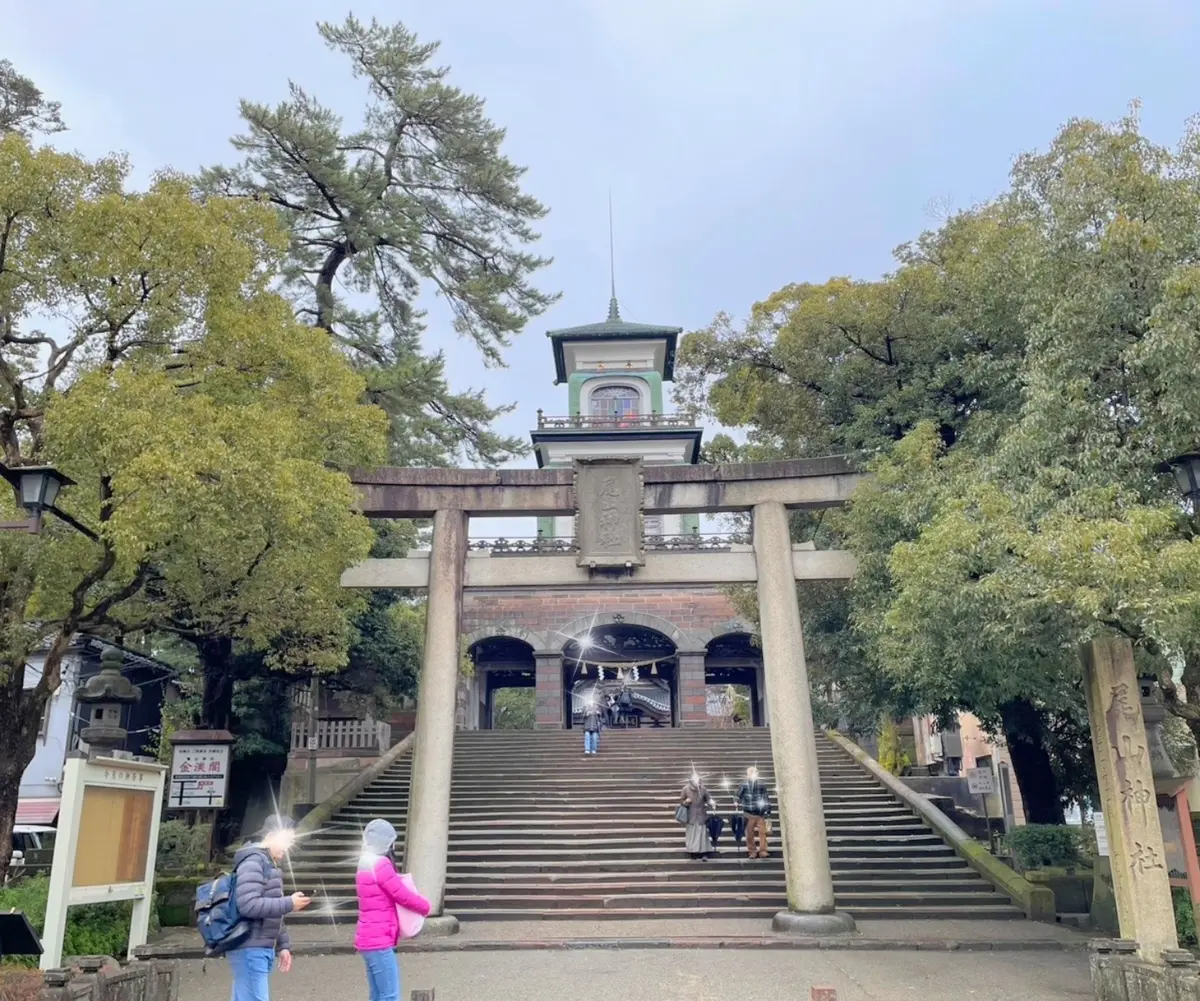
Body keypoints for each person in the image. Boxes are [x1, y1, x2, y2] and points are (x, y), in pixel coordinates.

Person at [227, 814, 310, 1001]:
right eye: (286, 840)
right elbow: (248, 905)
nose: (288, 847)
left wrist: (283, 945)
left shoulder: (267, 863)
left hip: (257, 946)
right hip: (250, 946)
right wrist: (288, 903)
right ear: (271, 835)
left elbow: (271, 909)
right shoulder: (253, 861)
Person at [355, 819, 431, 1001]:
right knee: (390, 996)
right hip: (379, 939)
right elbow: (401, 894)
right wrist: (425, 906)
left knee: (377, 995)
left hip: (367, 937)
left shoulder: (363, 862)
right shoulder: (380, 864)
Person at [737, 766, 772, 859]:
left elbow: (766, 798)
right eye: (752, 773)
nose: (754, 775)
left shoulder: (761, 784)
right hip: (748, 813)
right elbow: (737, 795)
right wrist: (736, 801)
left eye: (755, 773)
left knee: (762, 833)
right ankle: (752, 851)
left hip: (760, 813)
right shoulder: (743, 784)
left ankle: (763, 851)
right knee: (749, 834)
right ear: (748, 774)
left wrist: (768, 810)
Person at [680, 772, 716, 859]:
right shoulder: (685, 789)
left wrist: (712, 802)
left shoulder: (703, 789)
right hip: (691, 815)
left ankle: (704, 853)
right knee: (692, 834)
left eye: (698, 779)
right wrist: (686, 801)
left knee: (702, 834)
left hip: (701, 814)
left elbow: (708, 798)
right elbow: (682, 801)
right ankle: (693, 852)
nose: (697, 781)